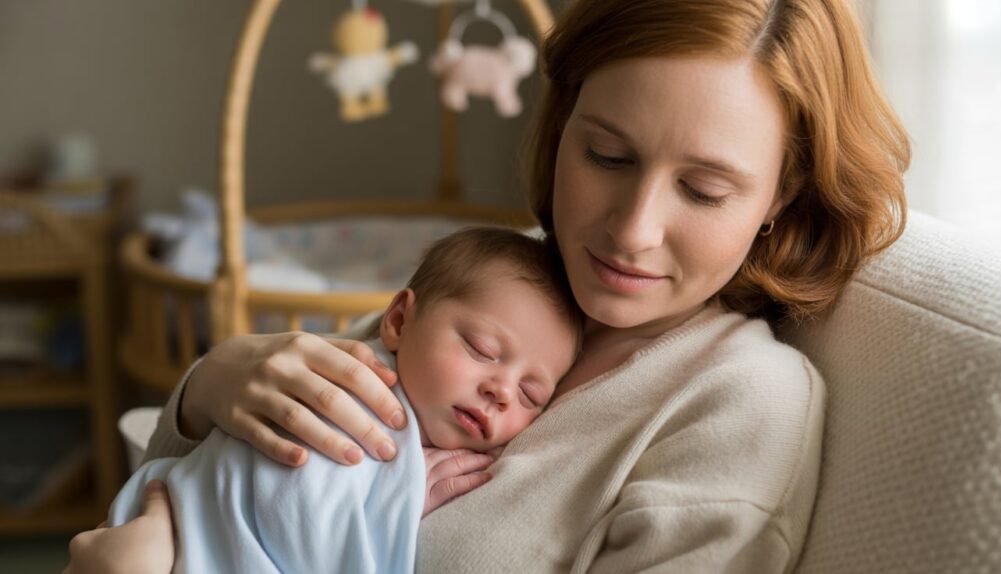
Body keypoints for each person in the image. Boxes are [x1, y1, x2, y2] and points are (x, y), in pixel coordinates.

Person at [67, 0, 910, 571]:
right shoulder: (508, 278)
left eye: (703, 189)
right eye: (607, 155)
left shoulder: (741, 404)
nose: (632, 229)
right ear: (561, 126)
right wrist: (210, 387)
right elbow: (221, 490)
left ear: (780, 196)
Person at [104, 227, 582, 573]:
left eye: (531, 394)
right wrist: (399, 501)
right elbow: (289, 505)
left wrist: (397, 497)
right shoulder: (349, 387)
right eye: (481, 350)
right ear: (398, 321)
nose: (502, 391)